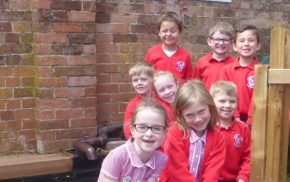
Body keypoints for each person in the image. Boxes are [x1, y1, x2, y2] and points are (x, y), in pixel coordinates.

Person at [160, 80, 225, 182]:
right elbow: (178, 171)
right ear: (181, 115)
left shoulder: (218, 137)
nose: (197, 119)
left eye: (201, 111)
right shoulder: (174, 134)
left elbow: (212, 171)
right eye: (190, 115)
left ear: (210, 108)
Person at [98, 101, 168, 182]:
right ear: (132, 130)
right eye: (142, 127)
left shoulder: (161, 159)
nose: (149, 134)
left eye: (157, 128)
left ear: (165, 133)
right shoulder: (116, 157)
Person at [220, 24, 261, 125]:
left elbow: (258, 98)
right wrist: (235, 117)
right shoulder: (227, 70)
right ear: (234, 46)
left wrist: (250, 120)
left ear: (258, 45)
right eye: (242, 41)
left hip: (255, 119)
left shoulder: (261, 71)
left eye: (251, 40)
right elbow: (225, 94)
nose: (246, 44)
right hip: (231, 117)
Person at [210, 80, 251, 182]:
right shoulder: (206, 128)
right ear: (211, 102)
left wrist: (243, 177)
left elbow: (248, 158)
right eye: (222, 101)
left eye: (232, 101)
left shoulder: (243, 129)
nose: (227, 105)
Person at [144, 11, 194, 84]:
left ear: (179, 32)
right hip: (156, 95)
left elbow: (189, 81)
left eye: (173, 31)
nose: (168, 34)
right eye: (164, 31)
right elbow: (145, 77)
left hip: (178, 95)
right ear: (159, 33)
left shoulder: (185, 56)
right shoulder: (152, 53)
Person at [192, 22, 236, 90]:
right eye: (217, 39)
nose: (221, 43)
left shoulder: (235, 64)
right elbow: (195, 87)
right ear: (209, 41)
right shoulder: (202, 62)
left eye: (225, 40)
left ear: (231, 43)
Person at [123, 62, 154, 139]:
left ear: (152, 80)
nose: (139, 83)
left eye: (143, 79)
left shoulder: (160, 100)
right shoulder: (132, 105)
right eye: (135, 80)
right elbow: (128, 131)